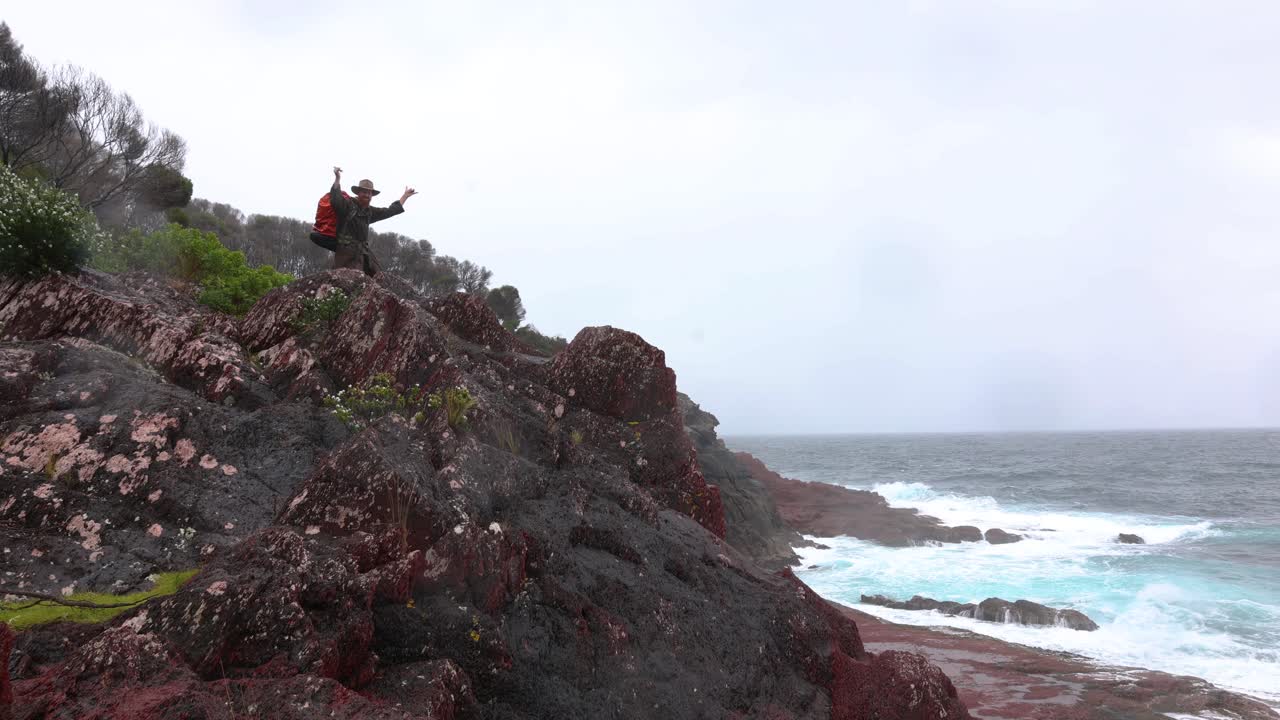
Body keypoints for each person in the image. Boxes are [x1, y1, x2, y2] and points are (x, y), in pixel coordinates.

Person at [328, 166, 417, 275]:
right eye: (364, 192)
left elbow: (389, 211)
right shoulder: (347, 205)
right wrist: (337, 179)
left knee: (378, 277)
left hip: (364, 253)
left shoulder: (369, 212)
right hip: (346, 254)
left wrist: (405, 197)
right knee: (347, 279)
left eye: (369, 193)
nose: (367, 195)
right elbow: (335, 200)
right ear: (358, 193)